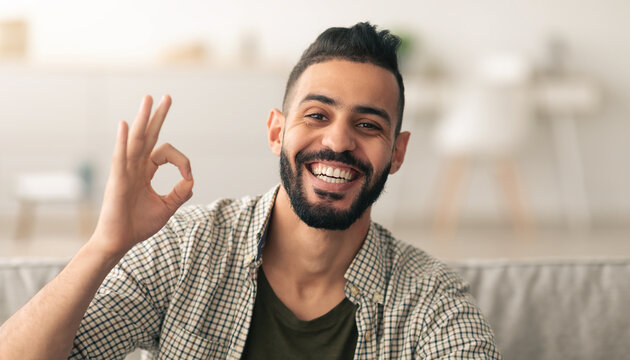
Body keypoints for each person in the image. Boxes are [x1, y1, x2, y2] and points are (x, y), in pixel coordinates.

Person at [0, 22, 501, 359]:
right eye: (317, 115)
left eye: (368, 125)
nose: (338, 141)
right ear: (276, 131)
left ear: (397, 152)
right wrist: (105, 244)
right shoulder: (188, 249)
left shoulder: (429, 298)